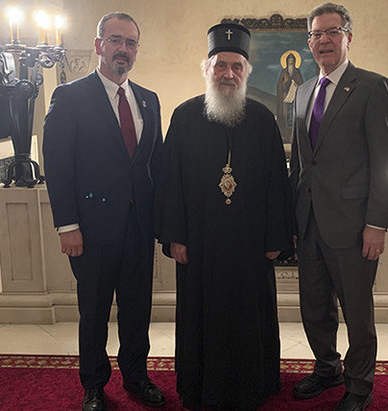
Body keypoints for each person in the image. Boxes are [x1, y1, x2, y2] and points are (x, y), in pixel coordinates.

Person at [157, 23, 294, 410]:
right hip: (199, 243)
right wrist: (175, 236)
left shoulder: (264, 119)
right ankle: (200, 387)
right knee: (201, 314)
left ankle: (254, 383)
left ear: (246, 72)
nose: (228, 74)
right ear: (207, 69)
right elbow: (171, 181)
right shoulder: (184, 117)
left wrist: (274, 240)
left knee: (249, 315)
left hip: (249, 246)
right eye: (220, 65)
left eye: (237, 66)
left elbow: (276, 185)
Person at [43, 12, 165, 411]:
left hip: (139, 228)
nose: (123, 50)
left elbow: (154, 165)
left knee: (136, 310)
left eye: (131, 43)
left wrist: (162, 222)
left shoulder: (148, 99)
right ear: (99, 45)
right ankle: (94, 385)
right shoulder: (70, 96)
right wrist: (67, 225)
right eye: (115, 40)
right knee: (93, 312)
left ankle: (136, 377)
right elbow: (58, 165)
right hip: (91, 229)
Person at [289, 3, 388, 411]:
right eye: (316, 35)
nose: (324, 41)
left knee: (356, 310)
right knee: (314, 304)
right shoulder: (302, 92)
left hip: (354, 226)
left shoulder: (371, 87)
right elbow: (301, 163)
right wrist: (292, 220)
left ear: (348, 37)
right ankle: (326, 367)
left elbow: (386, 162)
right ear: (309, 43)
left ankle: (359, 385)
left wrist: (377, 223)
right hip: (310, 222)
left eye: (332, 32)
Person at [276, 51, 304, 143]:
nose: (291, 62)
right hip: (285, 100)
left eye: (292, 60)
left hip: (295, 99)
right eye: (289, 60)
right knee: (285, 118)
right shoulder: (284, 72)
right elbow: (280, 86)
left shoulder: (297, 72)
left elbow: (301, 85)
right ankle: (285, 136)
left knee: (294, 118)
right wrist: (285, 82)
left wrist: (296, 84)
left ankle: (293, 137)